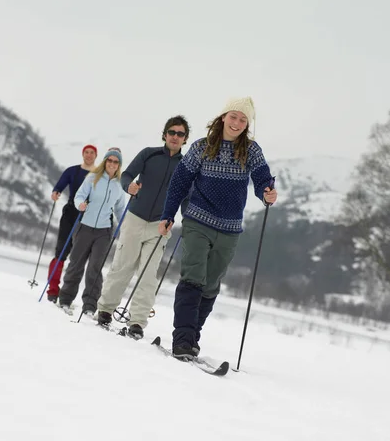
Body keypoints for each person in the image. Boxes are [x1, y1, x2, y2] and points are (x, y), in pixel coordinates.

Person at [158, 97, 278, 358]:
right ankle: (182, 339)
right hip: (198, 219)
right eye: (233, 116)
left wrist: (266, 191)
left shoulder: (251, 151)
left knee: (211, 284)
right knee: (193, 276)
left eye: (243, 119)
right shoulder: (202, 147)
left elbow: (261, 178)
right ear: (223, 117)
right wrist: (168, 214)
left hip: (230, 227)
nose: (237, 123)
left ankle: (193, 336)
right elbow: (179, 182)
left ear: (247, 124)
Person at [96, 116, 191, 339]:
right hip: (135, 217)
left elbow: (187, 196)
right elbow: (127, 174)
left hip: (161, 225)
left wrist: (187, 218)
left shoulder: (187, 165)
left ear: (185, 139)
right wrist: (129, 186)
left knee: (148, 275)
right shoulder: (149, 153)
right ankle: (105, 310)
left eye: (180, 134)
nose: (175, 137)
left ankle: (137, 321)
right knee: (123, 266)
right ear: (165, 134)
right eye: (172, 132)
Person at [57, 148, 126, 316]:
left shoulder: (119, 185)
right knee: (76, 264)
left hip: (104, 231)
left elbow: (120, 208)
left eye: (115, 162)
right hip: (85, 226)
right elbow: (79, 196)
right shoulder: (93, 177)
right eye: (109, 160)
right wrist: (80, 204)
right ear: (104, 162)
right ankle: (65, 299)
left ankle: (89, 305)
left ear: (119, 165)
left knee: (95, 268)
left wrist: (124, 226)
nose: (112, 164)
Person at [46, 144, 98, 304]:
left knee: (79, 256)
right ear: (83, 154)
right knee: (61, 251)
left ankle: (70, 293)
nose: (89, 155)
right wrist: (56, 192)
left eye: (92, 153)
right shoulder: (72, 171)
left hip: (88, 216)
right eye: (86, 152)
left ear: (96, 156)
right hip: (70, 213)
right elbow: (60, 185)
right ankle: (53, 290)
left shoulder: (98, 174)